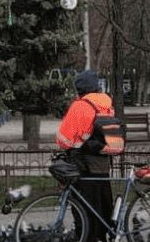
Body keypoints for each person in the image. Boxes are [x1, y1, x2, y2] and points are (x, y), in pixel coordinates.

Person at [56, 70, 115, 242]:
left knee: (84, 205)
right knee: (103, 203)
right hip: (103, 162)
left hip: (83, 163)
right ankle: (102, 236)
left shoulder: (80, 106)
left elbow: (63, 139)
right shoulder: (107, 105)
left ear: (79, 88)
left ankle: (86, 236)